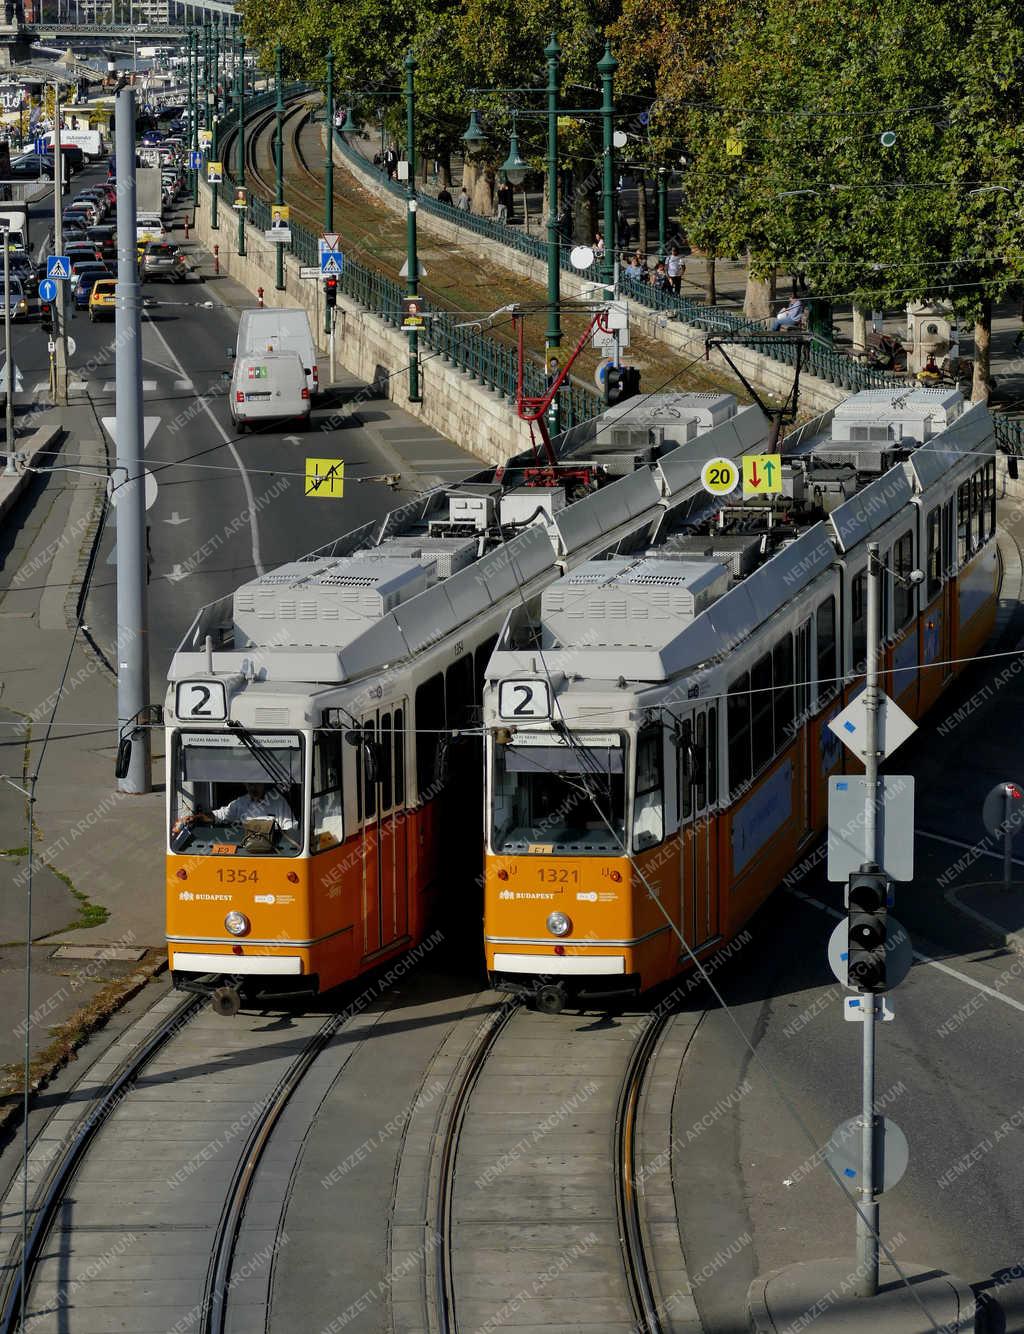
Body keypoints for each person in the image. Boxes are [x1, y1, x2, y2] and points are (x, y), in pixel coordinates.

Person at [197, 782, 298, 830]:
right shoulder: (241, 802)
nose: (253, 788)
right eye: (250, 785)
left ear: (264, 784)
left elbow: (291, 827)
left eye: (257, 784)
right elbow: (219, 815)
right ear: (245, 785)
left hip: (272, 852)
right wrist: (196, 817)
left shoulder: (278, 801)